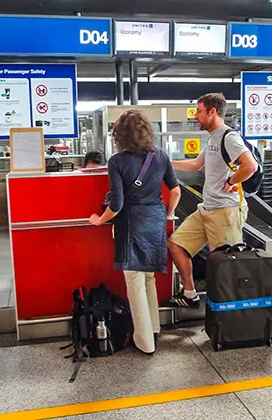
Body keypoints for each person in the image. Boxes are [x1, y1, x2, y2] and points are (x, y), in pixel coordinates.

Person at [89, 110, 181, 355]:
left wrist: (99, 220)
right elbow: (175, 190)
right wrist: (168, 214)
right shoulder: (160, 155)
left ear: (120, 135)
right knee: (148, 278)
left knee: (135, 283)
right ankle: (153, 329)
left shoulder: (117, 161)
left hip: (132, 224)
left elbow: (116, 205)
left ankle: (145, 343)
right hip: (155, 221)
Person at [164, 93, 259, 308]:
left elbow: (250, 165)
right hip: (206, 209)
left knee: (228, 264)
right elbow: (196, 165)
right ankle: (190, 294)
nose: (195, 116)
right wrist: (166, 163)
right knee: (176, 244)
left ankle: (234, 315)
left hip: (225, 212)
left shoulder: (229, 137)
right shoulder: (213, 138)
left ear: (212, 112)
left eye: (199, 111)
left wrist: (232, 180)